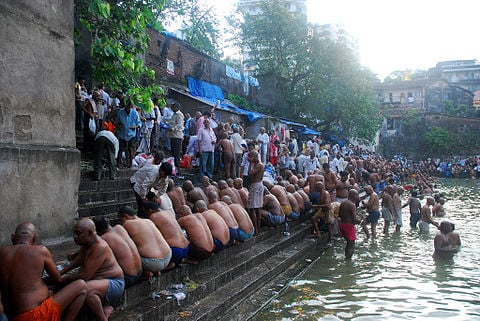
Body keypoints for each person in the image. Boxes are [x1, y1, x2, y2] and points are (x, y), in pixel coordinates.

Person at [0, 222, 87, 321]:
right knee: (81, 286)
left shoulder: (1, 252)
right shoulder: (40, 250)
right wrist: (68, 277)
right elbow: (58, 279)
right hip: (34, 316)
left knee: (49, 293)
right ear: (34, 239)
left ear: (12, 237)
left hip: (9, 315)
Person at [61, 219, 124, 321]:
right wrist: (63, 271)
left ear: (90, 233)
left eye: (78, 233)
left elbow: (86, 276)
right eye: (74, 232)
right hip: (99, 282)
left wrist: (67, 278)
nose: (74, 236)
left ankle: (102, 319)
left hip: (115, 283)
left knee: (85, 289)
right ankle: (106, 309)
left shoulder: (100, 247)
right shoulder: (86, 243)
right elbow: (79, 259)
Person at [117, 206, 174, 278]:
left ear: (125, 216)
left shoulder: (127, 223)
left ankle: (144, 273)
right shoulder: (148, 221)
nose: (121, 222)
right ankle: (155, 270)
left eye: (121, 220)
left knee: (128, 251)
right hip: (168, 257)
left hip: (152, 262)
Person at [94, 218, 143, 288]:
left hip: (127, 278)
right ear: (108, 223)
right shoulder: (120, 228)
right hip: (140, 272)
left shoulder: (103, 239)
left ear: (97, 232)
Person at [145, 202, 190, 267]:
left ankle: (169, 265)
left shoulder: (153, 216)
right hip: (186, 248)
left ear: (150, 211)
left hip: (175, 251)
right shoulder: (169, 213)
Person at [116, 101, 141, 168]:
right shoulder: (120, 112)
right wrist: (119, 125)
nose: (128, 108)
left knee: (131, 149)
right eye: (127, 107)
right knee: (121, 149)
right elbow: (117, 121)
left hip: (131, 134)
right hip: (122, 133)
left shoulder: (134, 113)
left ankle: (130, 164)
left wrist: (135, 127)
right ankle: (118, 163)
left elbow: (139, 123)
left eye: (130, 107)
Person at [338, 189, 361, 259]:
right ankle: (348, 260)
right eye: (357, 195)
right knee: (351, 244)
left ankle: (346, 257)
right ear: (353, 196)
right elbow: (354, 219)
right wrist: (360, 221)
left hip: (342, 225)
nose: (358, 197)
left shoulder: (343, 203)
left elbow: (339, 214)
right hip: (349, 226)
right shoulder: (352, 205)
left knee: (348, 243)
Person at [247, 151, 265, 236]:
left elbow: (250, 173)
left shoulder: (258, 165)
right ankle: (257, 228)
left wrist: (250, 163)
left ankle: (257, 229)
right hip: (258, 185)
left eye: (250, 157)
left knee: (253, 208)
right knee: (257, 208)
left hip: (256, 185)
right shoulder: (259, 165)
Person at [167, 102, 184, 167]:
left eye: (173, 107)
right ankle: (174, 166)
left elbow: (180, 125)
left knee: (176, 152)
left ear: (176, 107)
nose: (172, 108)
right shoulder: (174, 114)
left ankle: (177, 166)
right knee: (173, 152)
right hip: (172, 135)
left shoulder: (179, 114)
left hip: (177, 135)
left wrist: (173, 128)